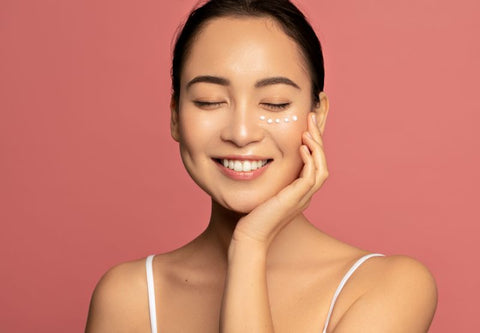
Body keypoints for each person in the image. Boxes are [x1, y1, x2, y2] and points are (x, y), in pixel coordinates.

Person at [85, 0, 438, 332]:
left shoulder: (388, 286)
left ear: (318, 116)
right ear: (176, 116)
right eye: (209, 102)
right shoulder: (127, 298)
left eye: (274, 103)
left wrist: (250, 244)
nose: (241, 133)